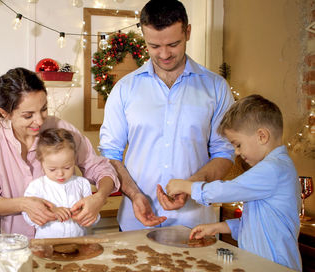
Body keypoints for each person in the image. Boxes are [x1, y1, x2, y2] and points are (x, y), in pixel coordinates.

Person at [99, 0, 235, 231]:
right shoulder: (124, 89)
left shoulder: (216, 88)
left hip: (196, 225)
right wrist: (134, 195)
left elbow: (224, 153)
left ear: (188, 32)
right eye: (154, 46)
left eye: (173, 44)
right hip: (135, 224)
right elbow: (110, 155)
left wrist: (191, 186)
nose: (164, 54)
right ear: (144, 38)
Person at [0, 67, 119, 242]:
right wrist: (24, 204)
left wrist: (99, 198)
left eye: (43, 109)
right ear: (5, 113)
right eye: (28, 115)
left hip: (61, 240)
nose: (40, 121)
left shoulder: (61, 130)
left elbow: (100, 168)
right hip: (8, 237)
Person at [165, 95, 302, 271]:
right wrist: (218, 227)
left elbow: (228, 190)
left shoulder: (274, 169)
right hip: (262, 268)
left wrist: (186, 186)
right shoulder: (272, 170)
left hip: (277, 271)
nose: (237, 152)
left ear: (262, 136)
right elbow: (258, 224)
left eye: (238, 144)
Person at [22, 128, 100, 238]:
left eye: (67, 167)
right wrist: (51, 214)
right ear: (41, 162)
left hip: (78, 244)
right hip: (47, 247)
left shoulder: (82, 184)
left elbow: (94, 216)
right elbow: (28, 217)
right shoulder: (36, 187)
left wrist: (86, 216)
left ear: (74, 159)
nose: (60, 174)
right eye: (52, 169)